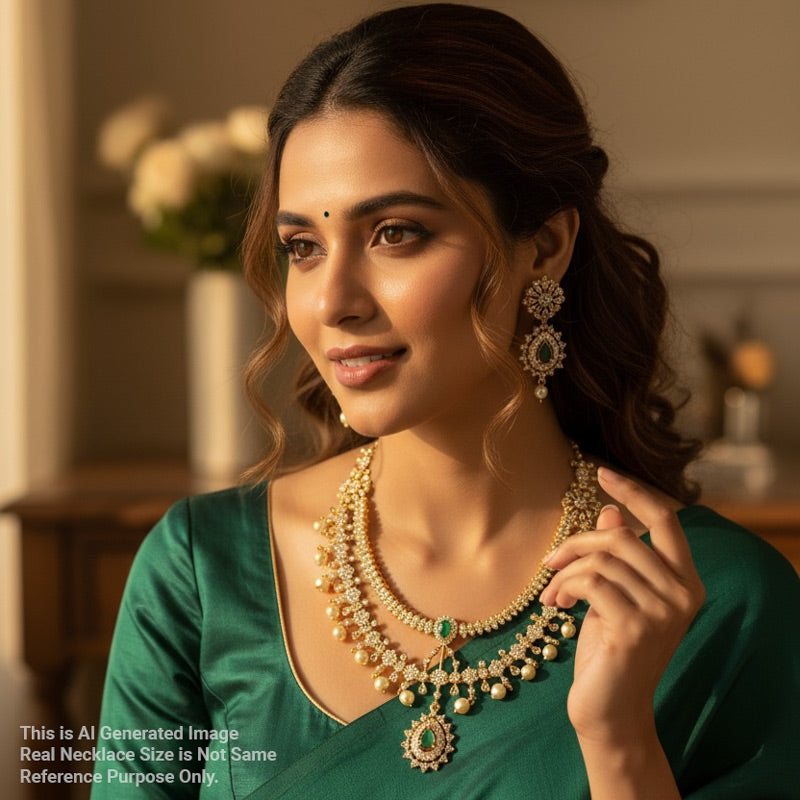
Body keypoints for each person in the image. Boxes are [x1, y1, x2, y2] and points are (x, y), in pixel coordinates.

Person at [93, 4, 799, 798]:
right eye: (303, 247)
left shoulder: (720, 602)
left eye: (396, 233)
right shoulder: (204, 573)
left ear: (545, 246)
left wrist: (619, 741)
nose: (332, 302)